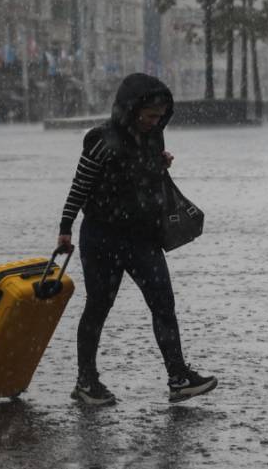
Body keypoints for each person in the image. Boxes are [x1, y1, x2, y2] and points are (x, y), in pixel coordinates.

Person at [57, 72, 217, 406]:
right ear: (130, 109)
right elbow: (80, 186)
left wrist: (159, 163)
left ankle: (178, 377)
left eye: (160, 117)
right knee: (99, 307)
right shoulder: (100, 140)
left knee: (163, 304)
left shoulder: (153, 137)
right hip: (102, 237)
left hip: (143, 237)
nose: (154, 122)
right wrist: (65, 228)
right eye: (149, 116)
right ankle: (86, 382)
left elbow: (141, 177)